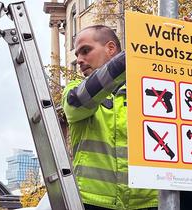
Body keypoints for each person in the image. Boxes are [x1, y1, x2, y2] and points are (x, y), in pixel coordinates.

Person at [61, 25, 158, 210]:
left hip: (148, 203)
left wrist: (178, 43)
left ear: (111, 49)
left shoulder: (148, 92)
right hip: (92, 203)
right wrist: (142, 49)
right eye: (77, 55)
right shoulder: (74, 90)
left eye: (86, 51)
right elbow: (79, 100)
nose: (79, 60)